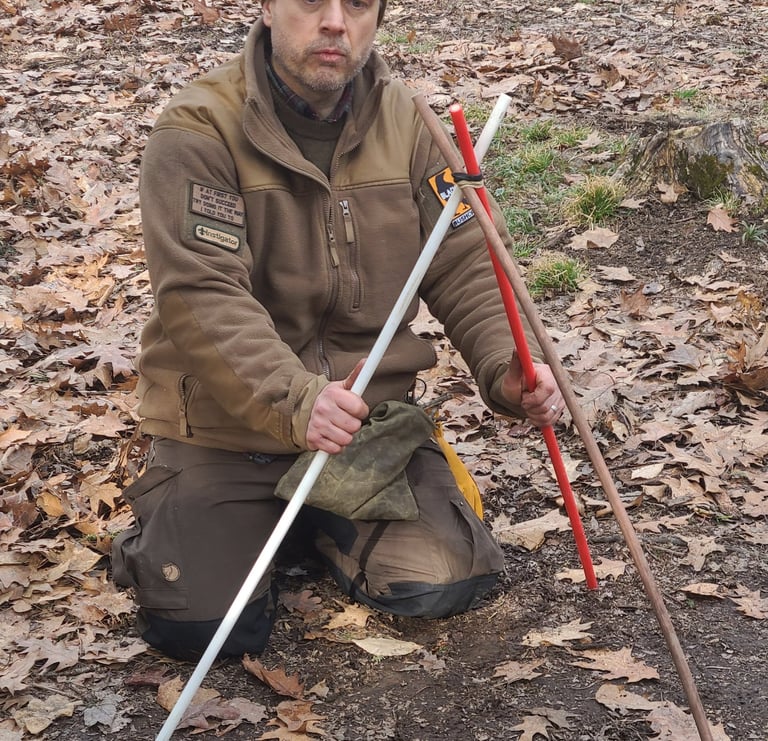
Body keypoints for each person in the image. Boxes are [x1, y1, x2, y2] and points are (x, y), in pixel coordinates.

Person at [112, 0, 565, 661]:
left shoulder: (411, 126)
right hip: (226, 430)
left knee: (449, 580)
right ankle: (187, 518)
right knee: (202, 628)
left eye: (356, 4)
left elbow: (466, 262)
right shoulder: (199, 129)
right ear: (267, 8)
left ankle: (319, 521)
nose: (334, 22)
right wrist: (297, 400)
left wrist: (509, 367)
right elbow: (202, 296)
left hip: (365, 428)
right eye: (310, 2)